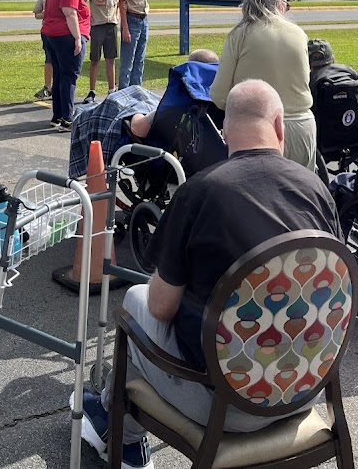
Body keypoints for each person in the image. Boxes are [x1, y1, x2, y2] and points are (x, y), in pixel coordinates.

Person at [79, 79, 340, 469]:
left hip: (226, 405)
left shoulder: (200, 192)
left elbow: (162, 307)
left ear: (225, 130)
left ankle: (120, 433)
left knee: (137, 302)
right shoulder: (316, 189)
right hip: (304, 389)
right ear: (280, 127)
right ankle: (108, 421)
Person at [210, 0, 316, 171]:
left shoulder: (239, 35)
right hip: (302, 126)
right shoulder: (298, 34)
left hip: (258, 131)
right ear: (280, 3)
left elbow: (219, 95)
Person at [67, 50, 219, 180]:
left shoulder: (180, 101)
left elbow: (138, 129)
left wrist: (136, 114)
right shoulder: (219, 104)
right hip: (209, 164)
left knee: (111, 107)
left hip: (164, 161)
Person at [41, 0, 90, 130]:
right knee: (69, 77)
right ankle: (67, 120)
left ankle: (58, 116)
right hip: (65, 35)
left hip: (50, 34)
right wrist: (77, 38)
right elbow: (69, 13)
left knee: (60, 77)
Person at [81, 0, 120, 101]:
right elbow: (80, 1)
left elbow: (120, 5)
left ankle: (111, 90)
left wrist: (117, 18)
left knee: (111, 59)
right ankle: (92, 91)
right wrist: (86, 17)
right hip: (98, 26)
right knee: (95, 59)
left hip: (111, 26)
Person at [118, 0, 152, 90]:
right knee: (128, 61)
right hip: (132, 20)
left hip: (144, 20)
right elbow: (121, 2)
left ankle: (136, 92)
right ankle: (123, 93)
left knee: (140, 60)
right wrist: (125, 28)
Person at [32, 0, 53, 101]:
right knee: (49, 59)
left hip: (62, 32)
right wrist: (45, 14)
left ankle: (58, 87)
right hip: (47, 32)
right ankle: (47, 87)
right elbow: (37, 14)